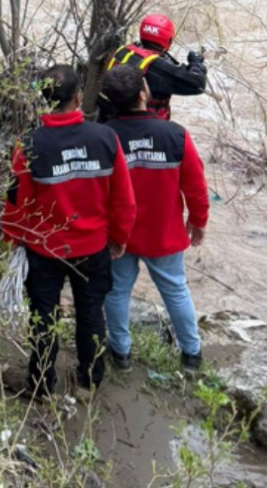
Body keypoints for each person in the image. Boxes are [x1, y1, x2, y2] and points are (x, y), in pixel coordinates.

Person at [4, 65, 137, 397]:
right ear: (78, 97)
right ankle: (88, 383)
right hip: (92, 248)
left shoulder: (30, 145)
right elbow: (124, 198)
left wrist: (13, 239)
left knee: (43, 317)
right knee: (91, 314)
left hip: (44, 249)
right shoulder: (105, 138)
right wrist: (119, 238)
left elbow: (16, 203)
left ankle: (40, 385)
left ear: (44, 100)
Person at [101, 65, 209, 372]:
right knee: (175, 290)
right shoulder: (175, 134)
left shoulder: (107, 137)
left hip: (119, 235)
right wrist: (198, 221)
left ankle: (120, 353)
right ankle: (191, 354)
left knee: (117, 290)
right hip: (164, 233)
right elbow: (196, 185)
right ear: (143, 94)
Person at [99, 14, 206, 121]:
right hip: (142, 128)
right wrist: (196, 63)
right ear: (168, 40)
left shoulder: (123, 51)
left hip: (108, 120)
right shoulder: (154, 66)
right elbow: (196, 84)